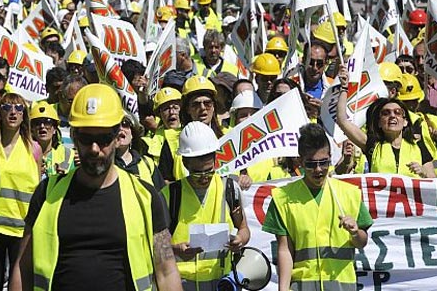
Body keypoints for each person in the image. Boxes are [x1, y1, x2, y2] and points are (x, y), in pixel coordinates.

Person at [10, 83, 182, 291]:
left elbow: (166, 271)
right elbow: (23, 268)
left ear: (117, 137)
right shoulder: (47, 194)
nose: (94, 148)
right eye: (86, 138)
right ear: (74, 136)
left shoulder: (144, 196)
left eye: (103, 139)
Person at [263, 123, 372, 291]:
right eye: (311, 164)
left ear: (330, 157)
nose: (318, 169)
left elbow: (362, 242)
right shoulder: (282, 198)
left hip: (342, 286)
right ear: (300, 161)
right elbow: (285, 250)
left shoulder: (350, 194)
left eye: (324, 162)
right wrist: (282, 289)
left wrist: (355, 232)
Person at [162, 122, 250, 291]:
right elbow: (154, 245)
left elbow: (244, 229)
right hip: (182, 284)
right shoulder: (169, 195)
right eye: (197, 173)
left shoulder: (230, 189)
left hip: (223, 283)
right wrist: (175, 249)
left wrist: (240, 240)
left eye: (209, 171)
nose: (204, 177)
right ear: (185, 164)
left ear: (215, 160)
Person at [0, 93, 41, 291]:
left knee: (20, 283)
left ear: (24, 115)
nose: (13, 112)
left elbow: (37, 190)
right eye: (7, 108)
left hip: (21, 228)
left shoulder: (34, 149)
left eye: (19, 108)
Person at [336, 66, 434, 178]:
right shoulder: (372, 144)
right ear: (379, 123)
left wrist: (423, 172)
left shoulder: (418, 145)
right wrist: (344, 88)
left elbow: (433, 180)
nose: (392, 116)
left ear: (405, 121)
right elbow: (342, 120)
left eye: (398, 112)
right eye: (386, 113)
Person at [30, 101, 75, 178]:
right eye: (37, 123)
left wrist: (63, 178)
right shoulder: (24, 153)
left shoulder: (68, 154)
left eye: (47, 122)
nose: (42, 126)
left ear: (55, 129)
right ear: (32, 129)